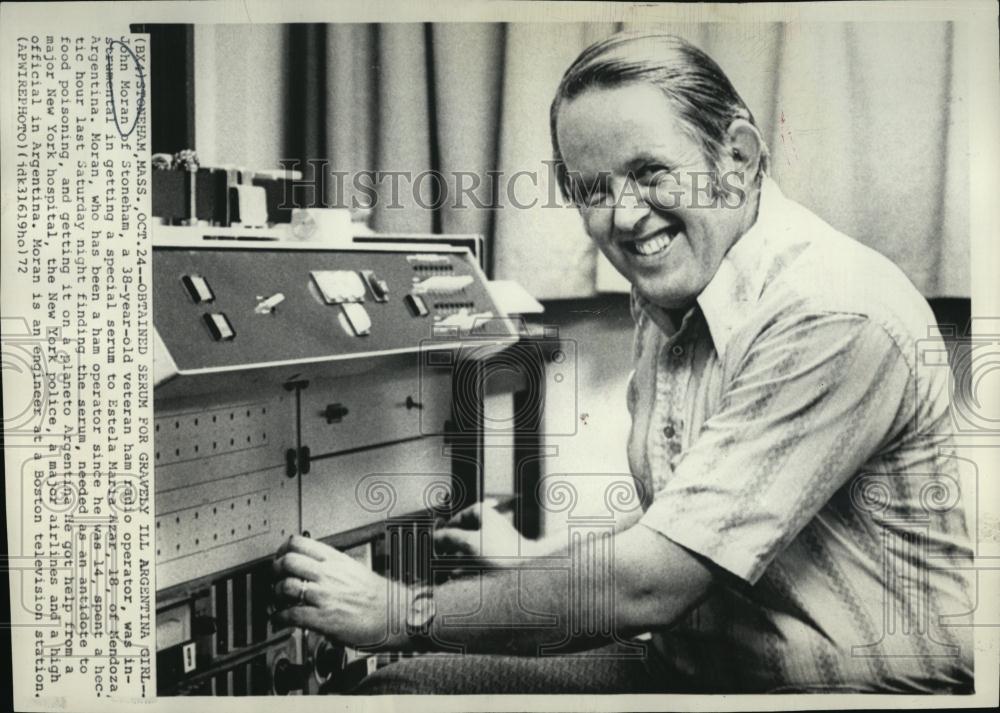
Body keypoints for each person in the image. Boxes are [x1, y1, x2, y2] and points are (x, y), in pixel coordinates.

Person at [270, 31, 974, 694]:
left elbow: (651, 584)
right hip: (697, 668)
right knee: (400, 690)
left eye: (650, 173)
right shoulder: (676, 290)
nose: (626, 217)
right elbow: (682, 527)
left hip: (846, 692)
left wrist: (398, 612)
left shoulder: (830, 308)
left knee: (402, 682)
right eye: (594, 190)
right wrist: (531, 563)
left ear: (738, 156)